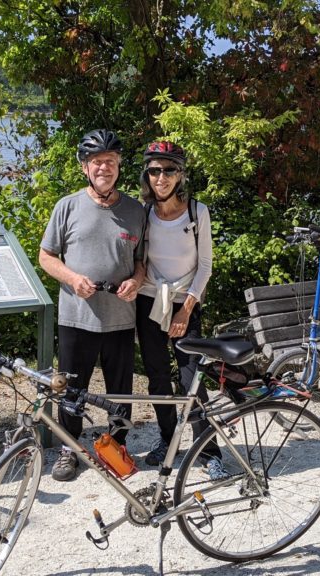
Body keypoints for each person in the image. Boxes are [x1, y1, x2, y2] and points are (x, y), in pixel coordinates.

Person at [38, 129, 147, 482]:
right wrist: (72, 279)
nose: (105, 168)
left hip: (119, 318)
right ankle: (69, 449)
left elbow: (142, 261)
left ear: (119, 167)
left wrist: (137, 281)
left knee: (120, 390)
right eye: (97, 162)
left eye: (111, 162)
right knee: (70, 388)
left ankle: (117, 446)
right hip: (76, 316)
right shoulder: (66, 206)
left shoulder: (135, 210)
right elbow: (46, 256)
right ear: (85, 167)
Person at [135, 140, 227, 480]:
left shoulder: (196, 212)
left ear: (180, 174)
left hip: (185, 301)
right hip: (150, 300)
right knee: (158, 376)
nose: (161, 177)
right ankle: (167, 439)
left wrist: (186, 310)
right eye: (155, 170)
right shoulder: (144, 213)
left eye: (169, 170)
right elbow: (140, 260)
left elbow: (205, 267)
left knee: (192, 378)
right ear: (147, 174)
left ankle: (209, 450)